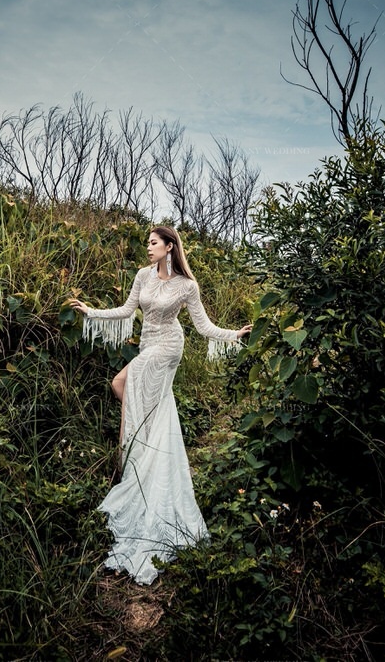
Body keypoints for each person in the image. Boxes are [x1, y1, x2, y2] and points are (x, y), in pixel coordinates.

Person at [69, 225, 252, 586]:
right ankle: (143, 448)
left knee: (125, 382)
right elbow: (126, 310)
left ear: (170, 246)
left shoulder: (187, 285)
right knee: (126, 388)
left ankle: (134, 451)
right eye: (148, 243)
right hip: (147, 345)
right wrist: (91, 312)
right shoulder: (142, 275)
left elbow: (204, 326)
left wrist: (234, 335)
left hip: (168, 348)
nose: (148, 248)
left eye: (154, 243)